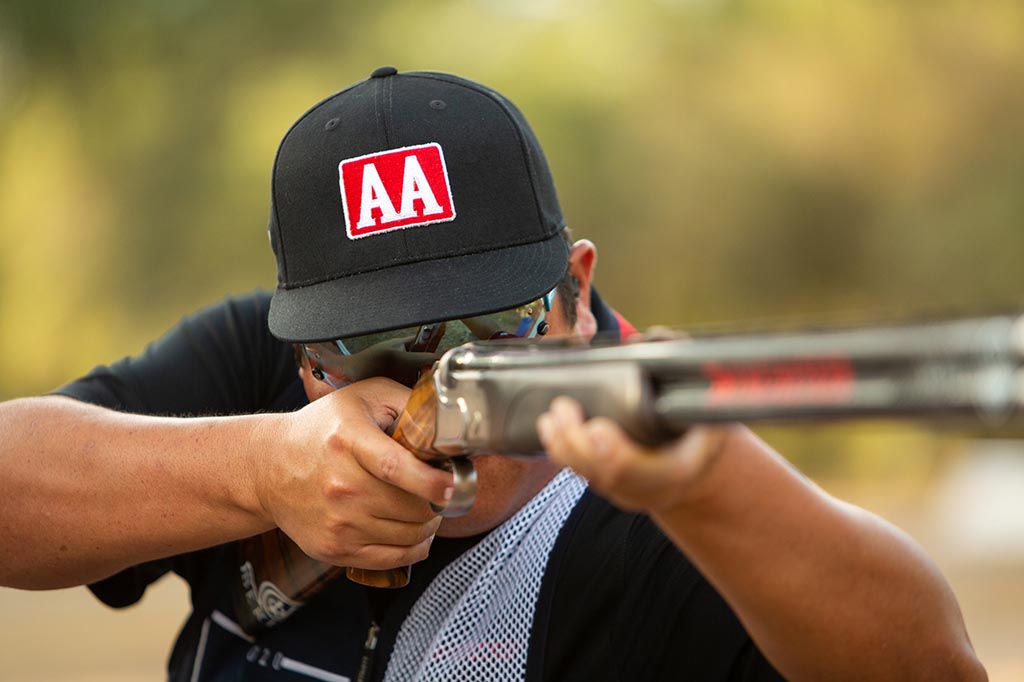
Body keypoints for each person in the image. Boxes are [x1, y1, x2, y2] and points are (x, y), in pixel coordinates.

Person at [0, 67, 986, 681]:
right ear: (302, 348)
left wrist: (715, 486)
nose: (441, 366)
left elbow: (931, 668)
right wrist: (258, 470)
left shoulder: (655, 483)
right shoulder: (253, 377)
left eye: (492, 322)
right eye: (375, 342)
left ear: (575, 291)